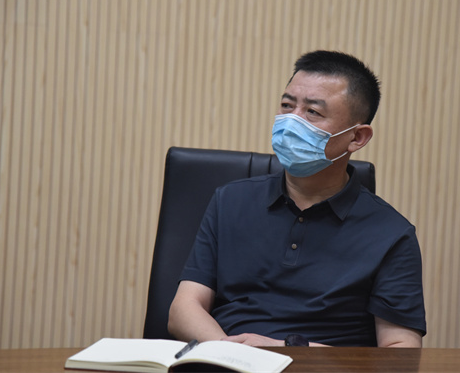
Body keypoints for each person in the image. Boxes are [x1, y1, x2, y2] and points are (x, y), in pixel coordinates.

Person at [168, 50, 426, 347]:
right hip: (224, 359)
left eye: (312, 112)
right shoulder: (229, 201)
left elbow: (401, 353)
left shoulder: (392, 234)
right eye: (287, 106)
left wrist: (284, 351)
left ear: (357, 137)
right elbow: (183, 309)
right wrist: (233, 355)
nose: (291, 121)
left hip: (321, 367)